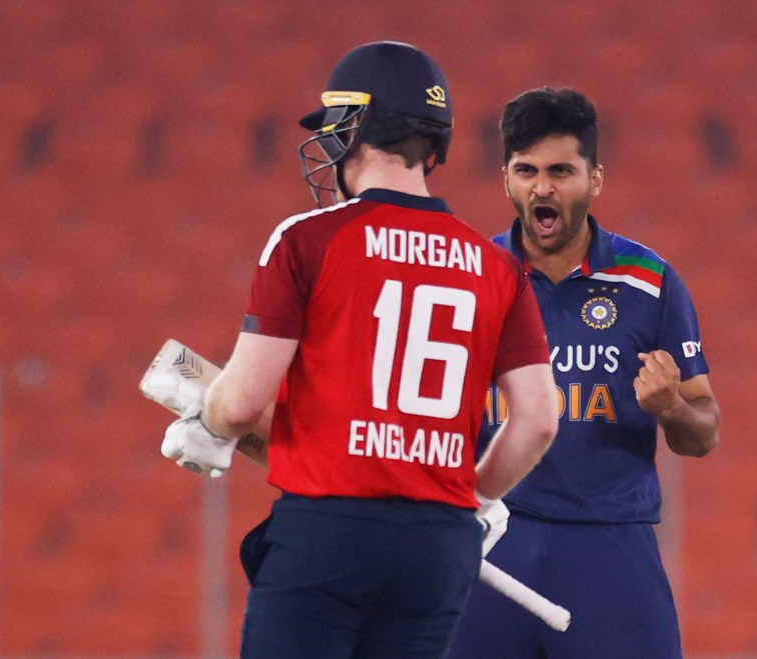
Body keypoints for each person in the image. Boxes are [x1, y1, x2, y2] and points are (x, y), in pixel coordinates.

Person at [159, 42, 558, 658]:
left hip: (328, 535)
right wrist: (473, 499)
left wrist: (206, 426)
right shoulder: (497, 267)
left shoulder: (308, 240)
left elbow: (240, 404)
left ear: (356, 127)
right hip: (437, 547)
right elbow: (536, 421)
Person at [448, 87, 720, 658]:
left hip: (609, 548)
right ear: (506, 179)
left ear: (595, 179)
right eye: (526, 170)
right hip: (492, 538)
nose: (542, 187)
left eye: (561, 171)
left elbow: (704, 432)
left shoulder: (649, 282)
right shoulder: (469, 279)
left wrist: (670, 405)